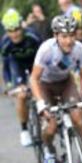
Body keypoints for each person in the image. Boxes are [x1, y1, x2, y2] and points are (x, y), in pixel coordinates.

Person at [30, 15, 82, 163]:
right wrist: (40, 103)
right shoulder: (46, 50)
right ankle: (49, 151)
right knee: (50, 127)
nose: (69, 41)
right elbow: (34, 79)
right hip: (45, 85)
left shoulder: (81, 50)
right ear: (55, 36)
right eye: (64, 36)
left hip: (66, 83)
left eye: (72, 35)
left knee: (80, 120)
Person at [0, 8, 41, 147]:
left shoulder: (32, 36)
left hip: (35, 62)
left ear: (21, 26)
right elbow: (5, 68)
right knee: (22, 95)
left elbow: (45, 54)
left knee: (42, 89)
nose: (15, 34)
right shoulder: (5, 43)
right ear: (6, 31)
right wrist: (10, 86)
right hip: (17, 65)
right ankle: (24, 130)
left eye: (17, 29)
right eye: (10, 31)